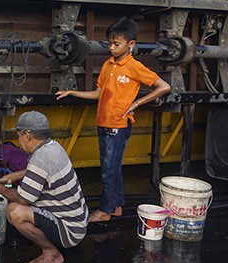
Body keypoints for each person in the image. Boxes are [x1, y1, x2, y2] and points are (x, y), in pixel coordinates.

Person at [55, 17, 172, 223]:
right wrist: (72, 92)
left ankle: (105, 211)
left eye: (116, 44)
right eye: (109, 43)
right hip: (104, 122)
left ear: (131, 45)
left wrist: (136, 104)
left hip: (118, 125)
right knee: (112, 168)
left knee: (109, 170)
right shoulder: (108, 65)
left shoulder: (135, 67)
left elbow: (163, 86)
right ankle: (116, 206)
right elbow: (98, 94)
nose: (111, 48)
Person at [0, 111, 87, 263]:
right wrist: (15, 175)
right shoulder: (53, 147)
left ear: (27, 135)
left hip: (69, 230)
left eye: (19, 136)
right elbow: (38, 170)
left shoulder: (40, 158)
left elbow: (22, 199)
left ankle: (52, 252)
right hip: (78, 221)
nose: (19, 143)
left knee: (14, 211)